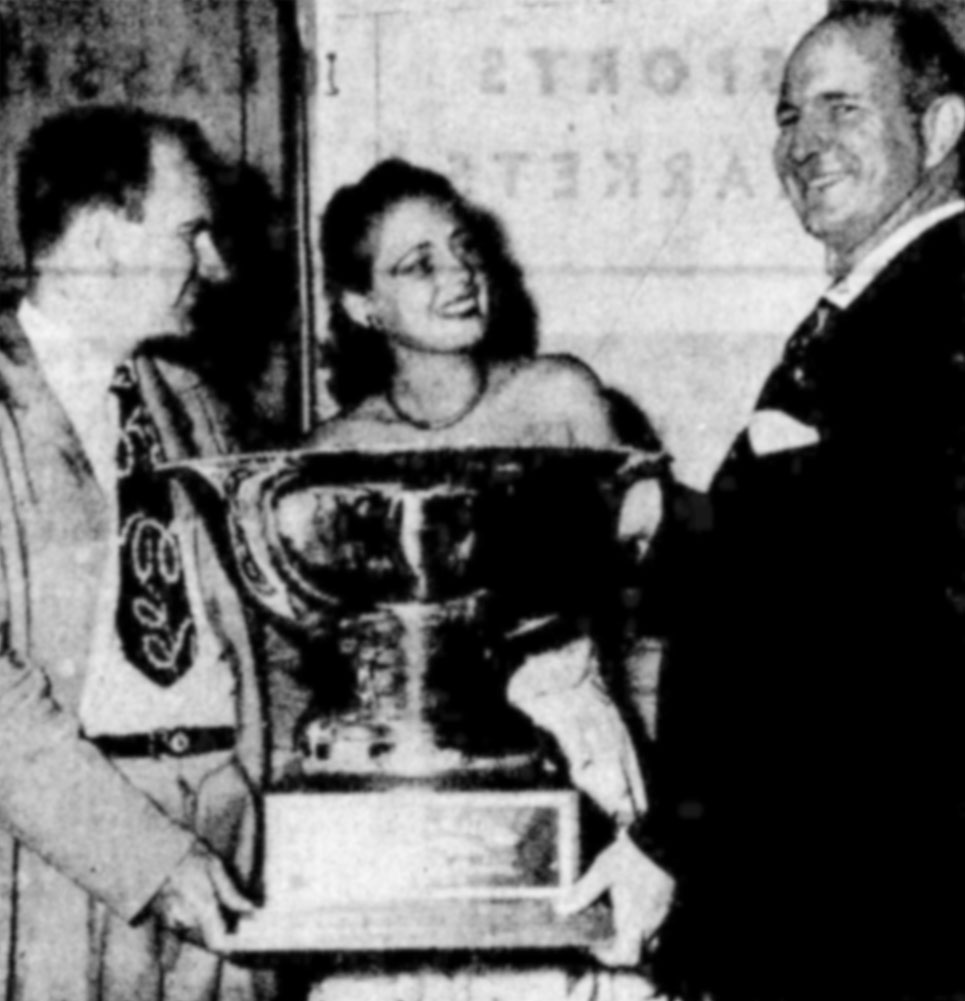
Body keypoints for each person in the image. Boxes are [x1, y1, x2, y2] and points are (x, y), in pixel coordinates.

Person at [631, 5, 965, 999]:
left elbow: (848, 633)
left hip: (869, 907)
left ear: (939, 130)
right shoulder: (875, 306)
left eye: (839, 110)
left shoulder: (934, 305)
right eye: (786, 116)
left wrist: (671, 840)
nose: (801, 145)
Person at [303, 158, 674, 998]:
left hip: (569, 757)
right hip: (403, 783)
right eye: (416, 263)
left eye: (462, 249)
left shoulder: (564, 396)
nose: (458, 276)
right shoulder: (331, 453)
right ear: (362, 307)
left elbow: (650, 583)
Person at [0, 106, 274, 1000]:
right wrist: (148, 858)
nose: (217, 266)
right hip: (63, 856)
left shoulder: (196, 402)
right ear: (101, 238)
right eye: (191, 233)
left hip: (223, 846)